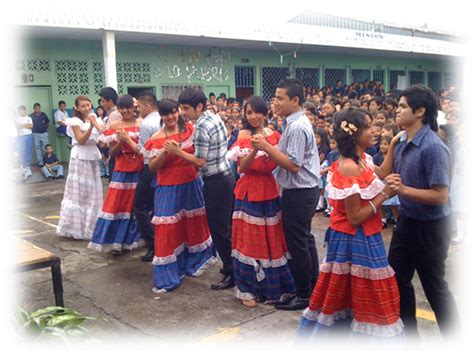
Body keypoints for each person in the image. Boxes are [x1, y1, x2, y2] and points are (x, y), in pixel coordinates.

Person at [297, 107, 404, 339]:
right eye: (368, 127)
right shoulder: (349, 166)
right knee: (358, 293)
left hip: (366, 235)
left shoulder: (363, 159)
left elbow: (383, 170)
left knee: (358, 292)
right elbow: (355, 217)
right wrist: (384, 194)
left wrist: (394, 142)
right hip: (352, 238)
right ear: (354, 134)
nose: (373, 131)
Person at [387, 84, 461, 339]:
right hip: (407, 222)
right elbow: (386, 174)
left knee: (434, 287)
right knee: (396, 279)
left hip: (431, 228)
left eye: (403, 106)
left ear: (420, 111)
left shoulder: (433, 147)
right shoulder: (403, 141)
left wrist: (403, 190)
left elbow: (441, 195)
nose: (397, 111)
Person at [250, 78, 320, 311]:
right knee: (304, 239)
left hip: (300, 191)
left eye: (281, 98)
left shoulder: (298, 126)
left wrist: (266, 147)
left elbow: (293, 164)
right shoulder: (291, 122)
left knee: (297, 243)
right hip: (300, 189)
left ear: (295, 100)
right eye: (275, 97)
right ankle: (311, 287)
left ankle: (304, 295)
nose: (276, 102)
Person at [226, 96, 295, 307]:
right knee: (249, 241)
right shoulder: (243, 135)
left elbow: (280, 161)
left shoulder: (275, 135)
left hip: (269, 188)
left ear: (266, 114)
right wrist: (257, 148)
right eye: (249, 113)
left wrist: (267, 146)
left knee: (270, 239)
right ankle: (247, 289)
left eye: (258, 112)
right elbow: (242, 168)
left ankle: (272, 287)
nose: (254, 116)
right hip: (248, 190)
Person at [142, 99, 216, 292]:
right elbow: (152, 167)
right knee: (167, 229)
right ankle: (168, 274)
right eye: (166, 114)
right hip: (167, 187)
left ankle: (194, 261)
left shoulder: (191, 130)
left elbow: (201, 155)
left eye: (174, 112)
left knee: (192, 224)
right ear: (161, 115)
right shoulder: (157, 138)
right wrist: (165, 154)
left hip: (191, 184)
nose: (171, 117)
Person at [173, 87, 236, 291]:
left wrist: (177, 152)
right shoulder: (214, 117)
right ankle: (231, 267)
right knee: (225, 227)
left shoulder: (200, 126)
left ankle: (231, 270)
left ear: (199, 106)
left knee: (219, 229)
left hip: (216, 181)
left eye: (186, 108)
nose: (183, 112)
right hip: (226, 177)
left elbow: (200, 161)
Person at [88, 95, 143, 255]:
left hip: (139, 169)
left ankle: (134, 240)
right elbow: (111, 152)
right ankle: (116, 241)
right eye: (122, 108)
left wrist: (128, 140)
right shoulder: (114, 126)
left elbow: (144, 149)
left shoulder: (142, 125)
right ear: (118, 109)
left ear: (133, 108)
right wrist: (121, 141)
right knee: (117, 205)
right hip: (121, 169)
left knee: (135, 206)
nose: (126, 111)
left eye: (128, 107)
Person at [56, 95, 103, 240]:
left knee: (93, 192)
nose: (86, 108)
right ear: (76, 107)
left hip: (92, 156)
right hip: (80, 157)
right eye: (83, 106)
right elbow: (82, 140)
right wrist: (90, 126)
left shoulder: (95, 118)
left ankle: (92, 227)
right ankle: (76, 227)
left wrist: (94, 123)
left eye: (88, 105)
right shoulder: (75, 121)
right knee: (80, 192)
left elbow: (103, 136)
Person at [133, 91, 161, 262]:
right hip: (164, 166)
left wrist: (127, 141)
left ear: (148, 105)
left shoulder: (146, 124)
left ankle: (153, 244)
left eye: (140, 107)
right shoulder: (163, 119)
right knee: (157, 206)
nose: (138, 110)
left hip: (149, 167)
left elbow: (143, 150)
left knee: (140, 207)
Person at [99, 87, 121, 183]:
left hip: (116, 152)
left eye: (103, 101)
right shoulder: (113, 113)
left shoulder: (114, 114)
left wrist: (94, 124)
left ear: (110, 101)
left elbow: (111, 135)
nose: (102, 104)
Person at [14, 105, 34, 180]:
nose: (22, 111)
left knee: (28, 150)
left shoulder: (29, 118)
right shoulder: (16, 118)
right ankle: (22, 165)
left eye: (23, 110)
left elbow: (31, 126)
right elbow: (17, 126)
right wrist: (26, 125)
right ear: (19, 111)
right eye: (20, 110)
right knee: (21, 151)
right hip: (21, 136)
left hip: (29, 135)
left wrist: (21, 125)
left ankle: (27, 166)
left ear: (25, 110)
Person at [30, 103, 50, 167]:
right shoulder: (31, 116)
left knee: (46, 147)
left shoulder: (44, 115)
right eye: (36, 108)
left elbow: (47, 123)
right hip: (35, 134)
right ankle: (40, 162)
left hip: (44, 133)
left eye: (39, 108)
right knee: (37, 148)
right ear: (34, 109)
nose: (38, 109)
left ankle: (47, 161)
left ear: (40, 108)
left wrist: (44, 129)